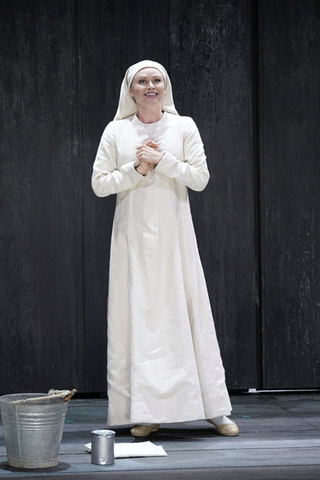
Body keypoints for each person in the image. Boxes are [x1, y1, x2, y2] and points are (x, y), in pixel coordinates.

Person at [92, 60, 239, 438]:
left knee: (187, 312)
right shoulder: (116, 130)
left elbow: (201, 178)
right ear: (131, 90)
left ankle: (214, 409)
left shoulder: (183, 125)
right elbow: (99, 184)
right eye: (142, 81)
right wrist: (137, 169)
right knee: (141, 319)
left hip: (175, 238)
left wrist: (164, 161)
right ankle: (147, 410)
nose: (150, 86)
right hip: (133, 239)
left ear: (166, 86)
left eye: (157, 80)